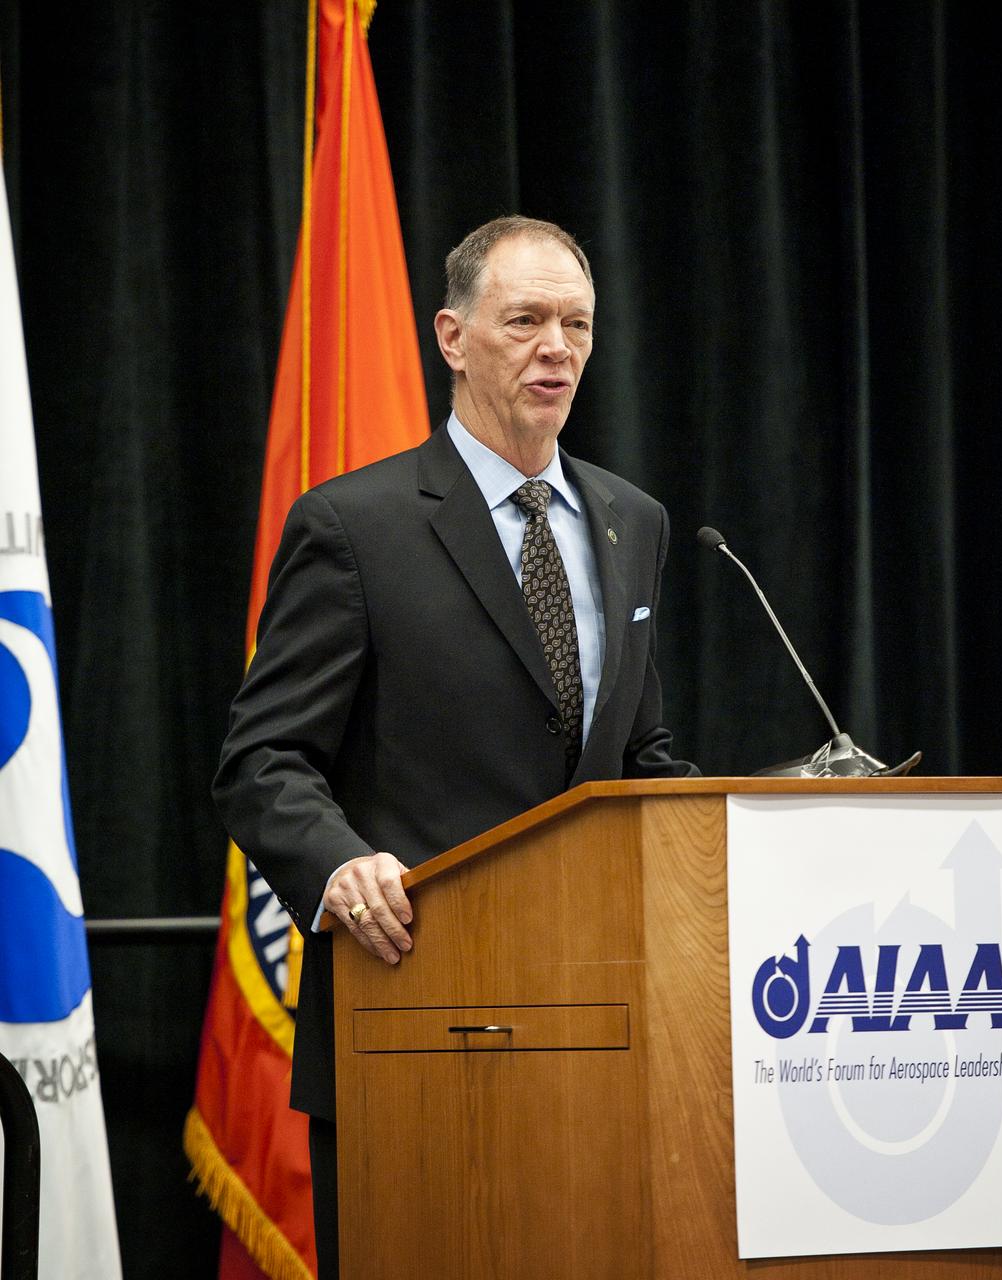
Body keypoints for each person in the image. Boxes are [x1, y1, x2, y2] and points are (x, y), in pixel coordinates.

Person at [213, 215, 698, 1276]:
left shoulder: (631, 519)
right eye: (524, 320)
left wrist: (721, 828)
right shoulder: (355, 524)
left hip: (604, 1024)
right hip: (415, 1012)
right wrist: (337, 863)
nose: (556, 348)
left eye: (575, 323)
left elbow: (638, 752)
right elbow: (262, 759)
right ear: (451, 335)